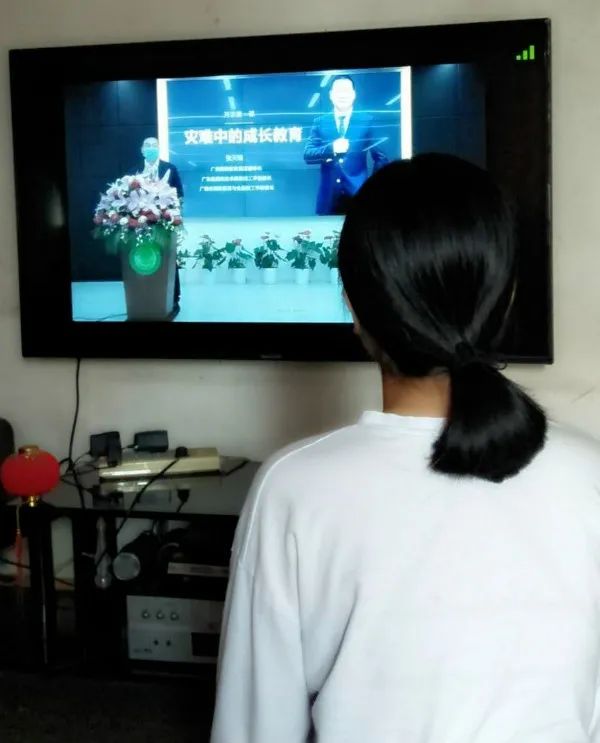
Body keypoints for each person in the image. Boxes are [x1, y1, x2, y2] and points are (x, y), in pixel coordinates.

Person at [210, 154, 600, 743]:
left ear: (353, 304)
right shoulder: (589, 473)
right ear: (508, 297)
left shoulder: (294, 487)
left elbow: (255, 727)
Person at [304, 75, 389, 215]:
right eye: (338, 91)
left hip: (359, 195)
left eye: (346, 90)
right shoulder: (320, 122)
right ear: (331, 95)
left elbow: (381, 158)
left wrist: (372, 188)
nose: (342, 95)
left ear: (353, 94)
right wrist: (331, 148)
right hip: (328, 197)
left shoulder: (367, 120)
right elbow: (308, 154)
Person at [137, 137, 184, 311]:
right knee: (145, 258)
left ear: (159, 148)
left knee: (168, 258)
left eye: (154, 145)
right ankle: (146, 297)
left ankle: (173, 298)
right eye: (147, 145)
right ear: (142, 150)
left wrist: (170, 212)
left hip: (165, 222)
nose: (150, 148)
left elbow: (180, 194)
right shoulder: (134, 171)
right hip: (141, 223)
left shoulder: (170, 169)